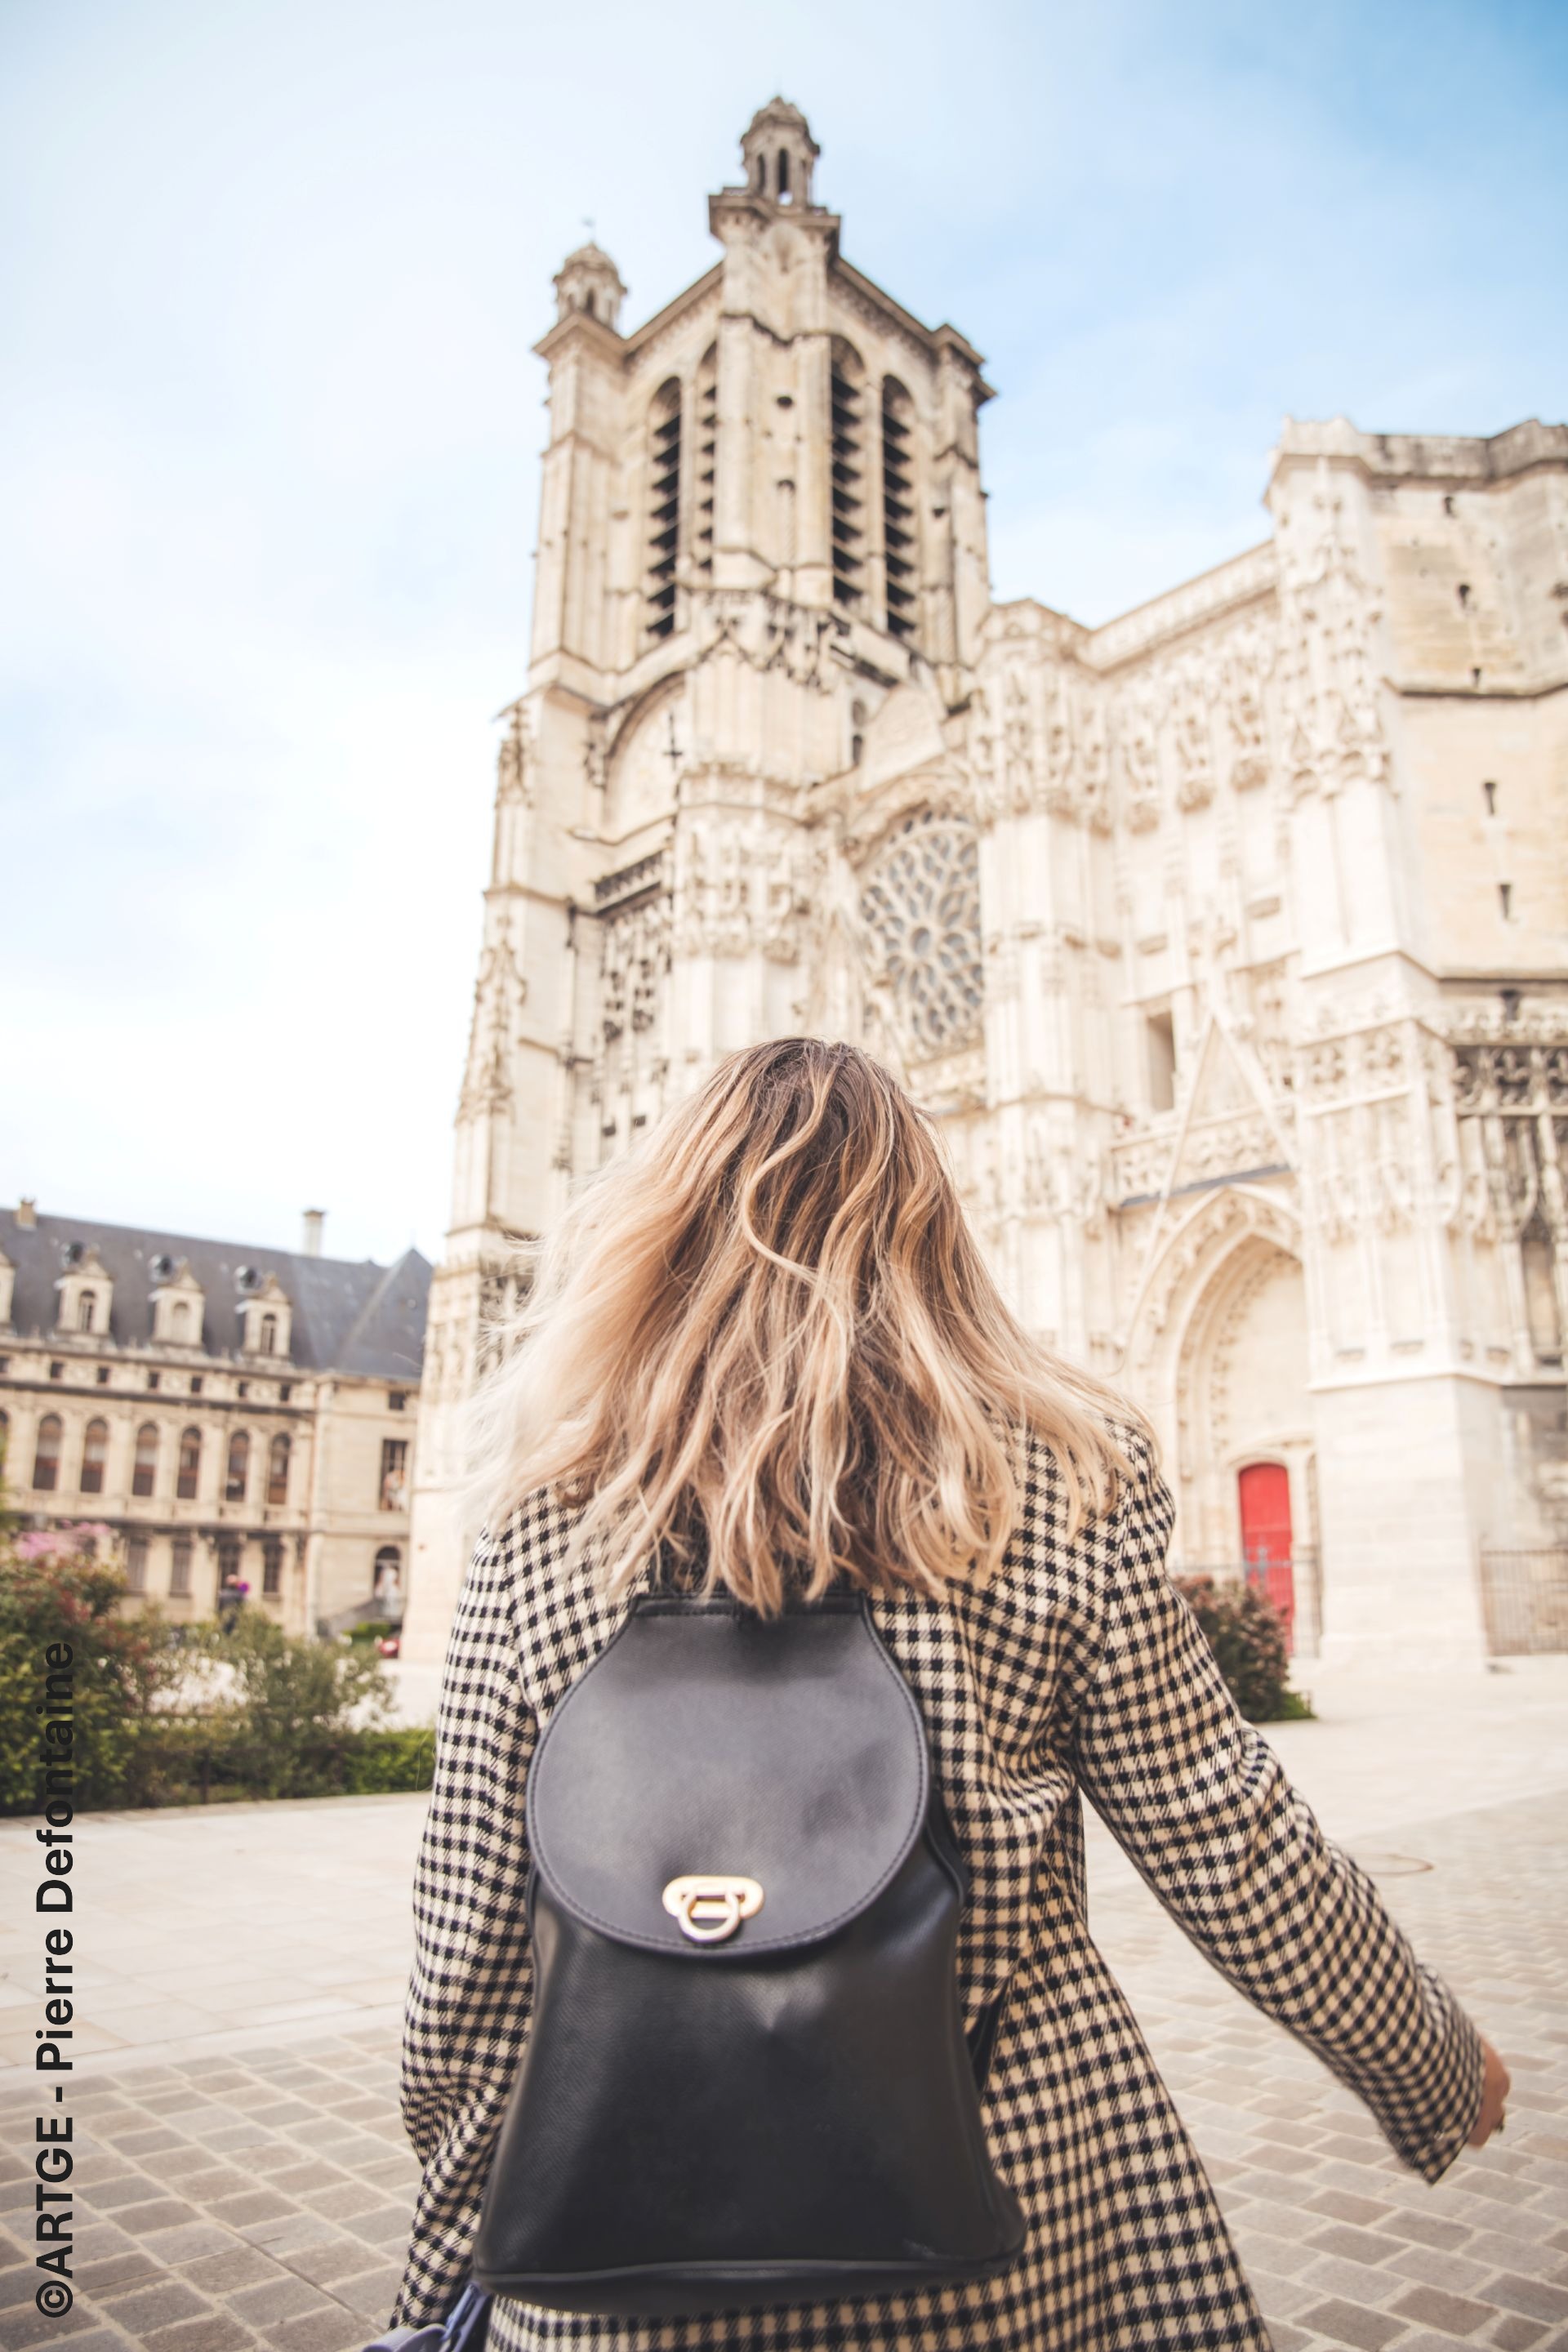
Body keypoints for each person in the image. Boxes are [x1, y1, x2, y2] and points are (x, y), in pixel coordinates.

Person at [390, 1038, 1508, 2352]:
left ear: (663, 1233)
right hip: (1001, 2220)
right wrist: (1429, 2062)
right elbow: (1230, 1842)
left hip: (630, 2245)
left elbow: (464, 1975)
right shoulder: (1058, 1484)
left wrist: (458, 2266)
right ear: (932, 1233)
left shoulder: (546, 1520)